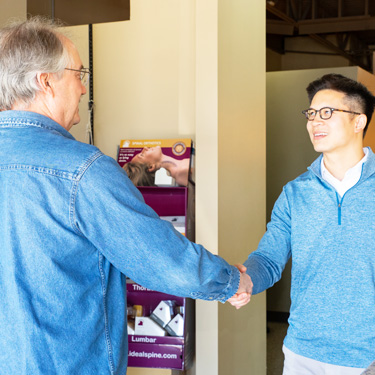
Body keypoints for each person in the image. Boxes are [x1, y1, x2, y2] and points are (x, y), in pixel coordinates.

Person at [0, 18, 251, 374]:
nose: (84, 88)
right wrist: (230, 281)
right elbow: (159, 257)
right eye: (78, 74)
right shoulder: (82, 171)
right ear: (46, 82)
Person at [242, 73, 375, 374]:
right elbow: (268, 258)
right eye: (311, 113)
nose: (315, 121)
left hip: (365, 356)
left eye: (327, 113)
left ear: (359, 122)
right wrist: (245, 280)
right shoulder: (294, 193)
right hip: (302, 352)